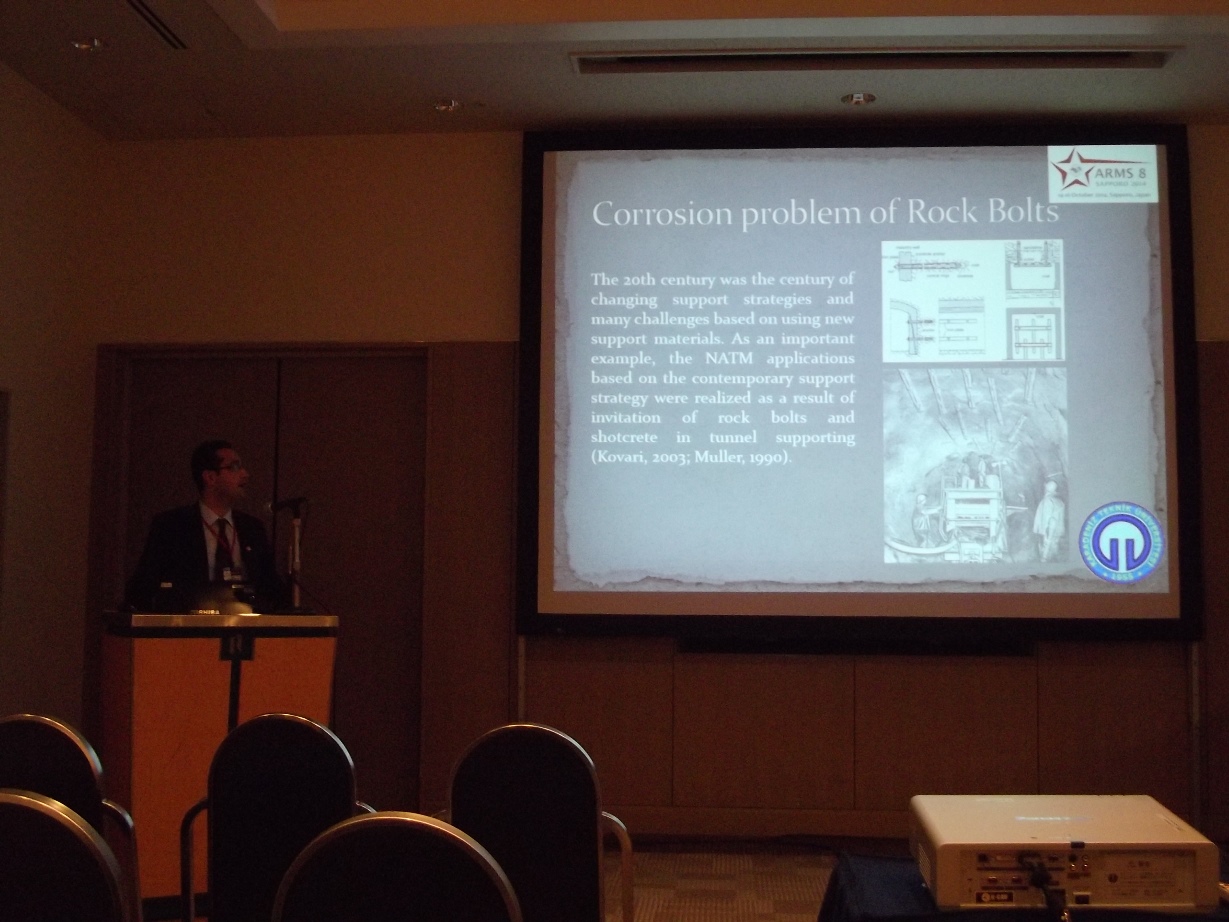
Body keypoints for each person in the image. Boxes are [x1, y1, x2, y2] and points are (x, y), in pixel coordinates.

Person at [124, 440, 286, 612]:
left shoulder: (252, 528)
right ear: (210, 477)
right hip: (188, 622)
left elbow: (270, 587)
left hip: (244, 620)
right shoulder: (172, 526)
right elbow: (144, 585)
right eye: (234, 467)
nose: (245, 474)